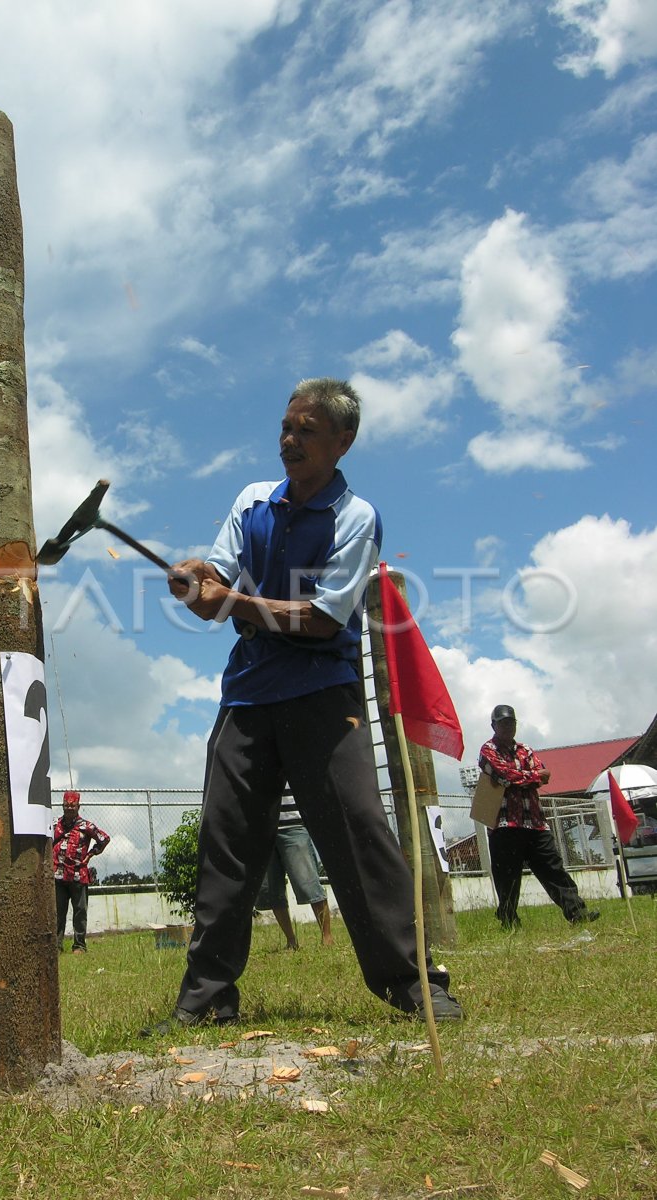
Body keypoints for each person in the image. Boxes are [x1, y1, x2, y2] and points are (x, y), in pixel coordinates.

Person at [146, 377, 461, 1033]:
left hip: (324, 694)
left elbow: (321, 621)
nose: (288, 441)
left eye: (306, 431)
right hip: (248, 693)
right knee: (225, 843)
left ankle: (411, 983)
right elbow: (217, 579)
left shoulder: (356, 518)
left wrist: (230, 603)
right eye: (286, 428)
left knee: (356, 834)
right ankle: (206, 998)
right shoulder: (251, 500)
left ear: (342, 442)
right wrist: (195, 580)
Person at [479, 704, 599, 930]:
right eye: (503, 723)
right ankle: (508, 919)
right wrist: (532, 776)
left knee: (553, 869)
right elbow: (505, 776)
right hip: (504, 823)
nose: (508, 727)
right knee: (508, 876)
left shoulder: (525, 749)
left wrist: (525, 776)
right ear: (493, 725)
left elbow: (543, 775)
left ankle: (577, 913)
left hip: (534, 822)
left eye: (511, 722)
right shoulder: (488, 750)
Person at [256, 796, 332, 950]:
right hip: (262, 827)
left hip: (294, 825)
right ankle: (291, 941)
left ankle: (327, 937)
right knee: (271, 891)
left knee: (308, 884)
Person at [51, 790, 110, 953]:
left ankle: (79, 945)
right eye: (66, 806)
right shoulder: (55, 825)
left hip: (78, 876)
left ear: (78, 806)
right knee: (58, 913)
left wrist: (91, 854)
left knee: (80, 912)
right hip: (58, 875)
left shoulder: (86, 826)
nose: (69, 809)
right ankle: (56, 946)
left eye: (72, 806)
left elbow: (104, 839)